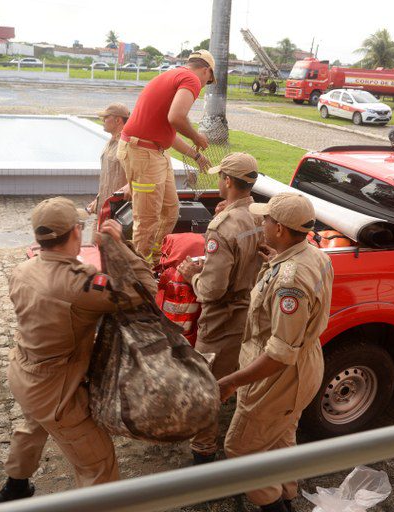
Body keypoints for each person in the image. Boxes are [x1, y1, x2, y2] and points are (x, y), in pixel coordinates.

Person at [0, 198, 157, 503]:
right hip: (58, 391)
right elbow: (146, 291)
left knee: (32, 426)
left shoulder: (23, 268)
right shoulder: (78, 284)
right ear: (74, 233)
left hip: (25, 374)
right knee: (98, 465)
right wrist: (122, 246)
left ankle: (14, 488)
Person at [219, 193, 334, 512]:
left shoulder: (290, 281)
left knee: (240, 450)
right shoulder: (314, 256)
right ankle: (286, 495)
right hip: (307, 366)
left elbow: (279, 354)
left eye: (267, 219)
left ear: (281, 229)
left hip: (279, 377)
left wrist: (231, 381)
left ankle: (273, 506)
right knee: (281, 436)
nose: (261, 222)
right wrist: (276, 263)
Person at [176, 152, 262, 465]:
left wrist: (192, 275)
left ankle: (203, 451)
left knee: (206, 384)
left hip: (222, 318)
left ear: (227, 181)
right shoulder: (259, 215)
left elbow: (212, 289)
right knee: (238, 376)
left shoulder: (222, 226)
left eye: (220, 177)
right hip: (248, 309)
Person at [117, 49, 215, 263]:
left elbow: (168, 133)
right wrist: (197, 138)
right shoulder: (191, 79)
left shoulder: (172, 75)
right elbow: (177, 117)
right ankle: (140, 274)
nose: (205, 85)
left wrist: (196, 157)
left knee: (170, 210)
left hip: (155, 151)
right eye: (209, 80)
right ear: (206, 70)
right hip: (143, 153)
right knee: (147, 219)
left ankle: (152, 259)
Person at [87, 103, 130, 218]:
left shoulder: (127, 144)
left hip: (118, 210)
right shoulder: (110, 142)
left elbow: (141, 172)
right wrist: (98, 198)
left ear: (118, 120)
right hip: (104, 207)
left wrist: (131, 185)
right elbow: (109, 176)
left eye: (106, 117)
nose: (103, 120)